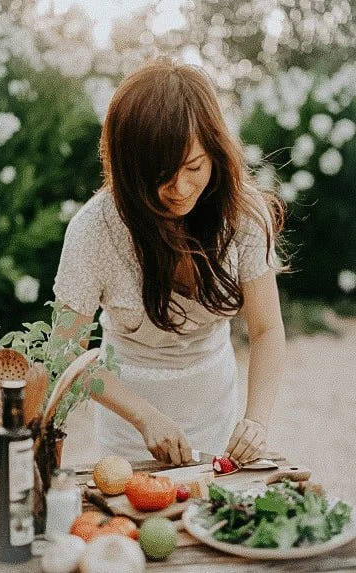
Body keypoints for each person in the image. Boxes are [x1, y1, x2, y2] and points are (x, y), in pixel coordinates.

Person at [53, 57, 286, 466]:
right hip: (130, 426)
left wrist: (256, 422)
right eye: (160, 174)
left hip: (216, 402)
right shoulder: (93, 230)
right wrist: (144, 417)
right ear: (129, 170)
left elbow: (266, 329)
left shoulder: (244, 216)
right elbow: (65, 351)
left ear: (216, 151)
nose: (180, 188)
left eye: (194, 166)